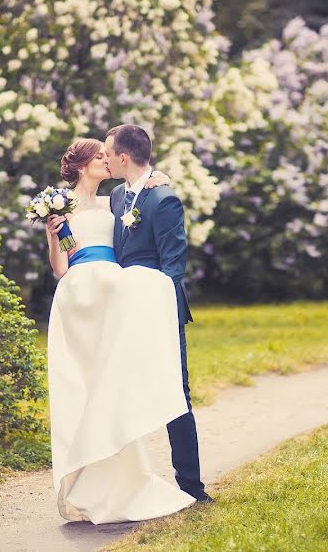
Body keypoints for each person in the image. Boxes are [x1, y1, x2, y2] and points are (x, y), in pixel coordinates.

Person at [45, 137, 196, 524]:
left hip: (116, 292)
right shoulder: (60, 204)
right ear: (82, 165)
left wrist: (156, 178)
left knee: (113, 386)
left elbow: (140, 196)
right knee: (88, 385)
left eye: (108, 155)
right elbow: (61, 267)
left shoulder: (115, 199)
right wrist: (52, 235)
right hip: (83, 295)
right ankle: (87, 477)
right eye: (99, 157)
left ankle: (134, 479)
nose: (106, 161)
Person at [104, 124, 212, 503]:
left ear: (122, 156)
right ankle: (124, 486)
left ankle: (191, 486)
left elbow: (173, 266)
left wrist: (156, 311)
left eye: (107, 151)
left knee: (175, 395)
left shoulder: (164, 199)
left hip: (160, 311)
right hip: (124, 311)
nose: (103, 157)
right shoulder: (117, 195)